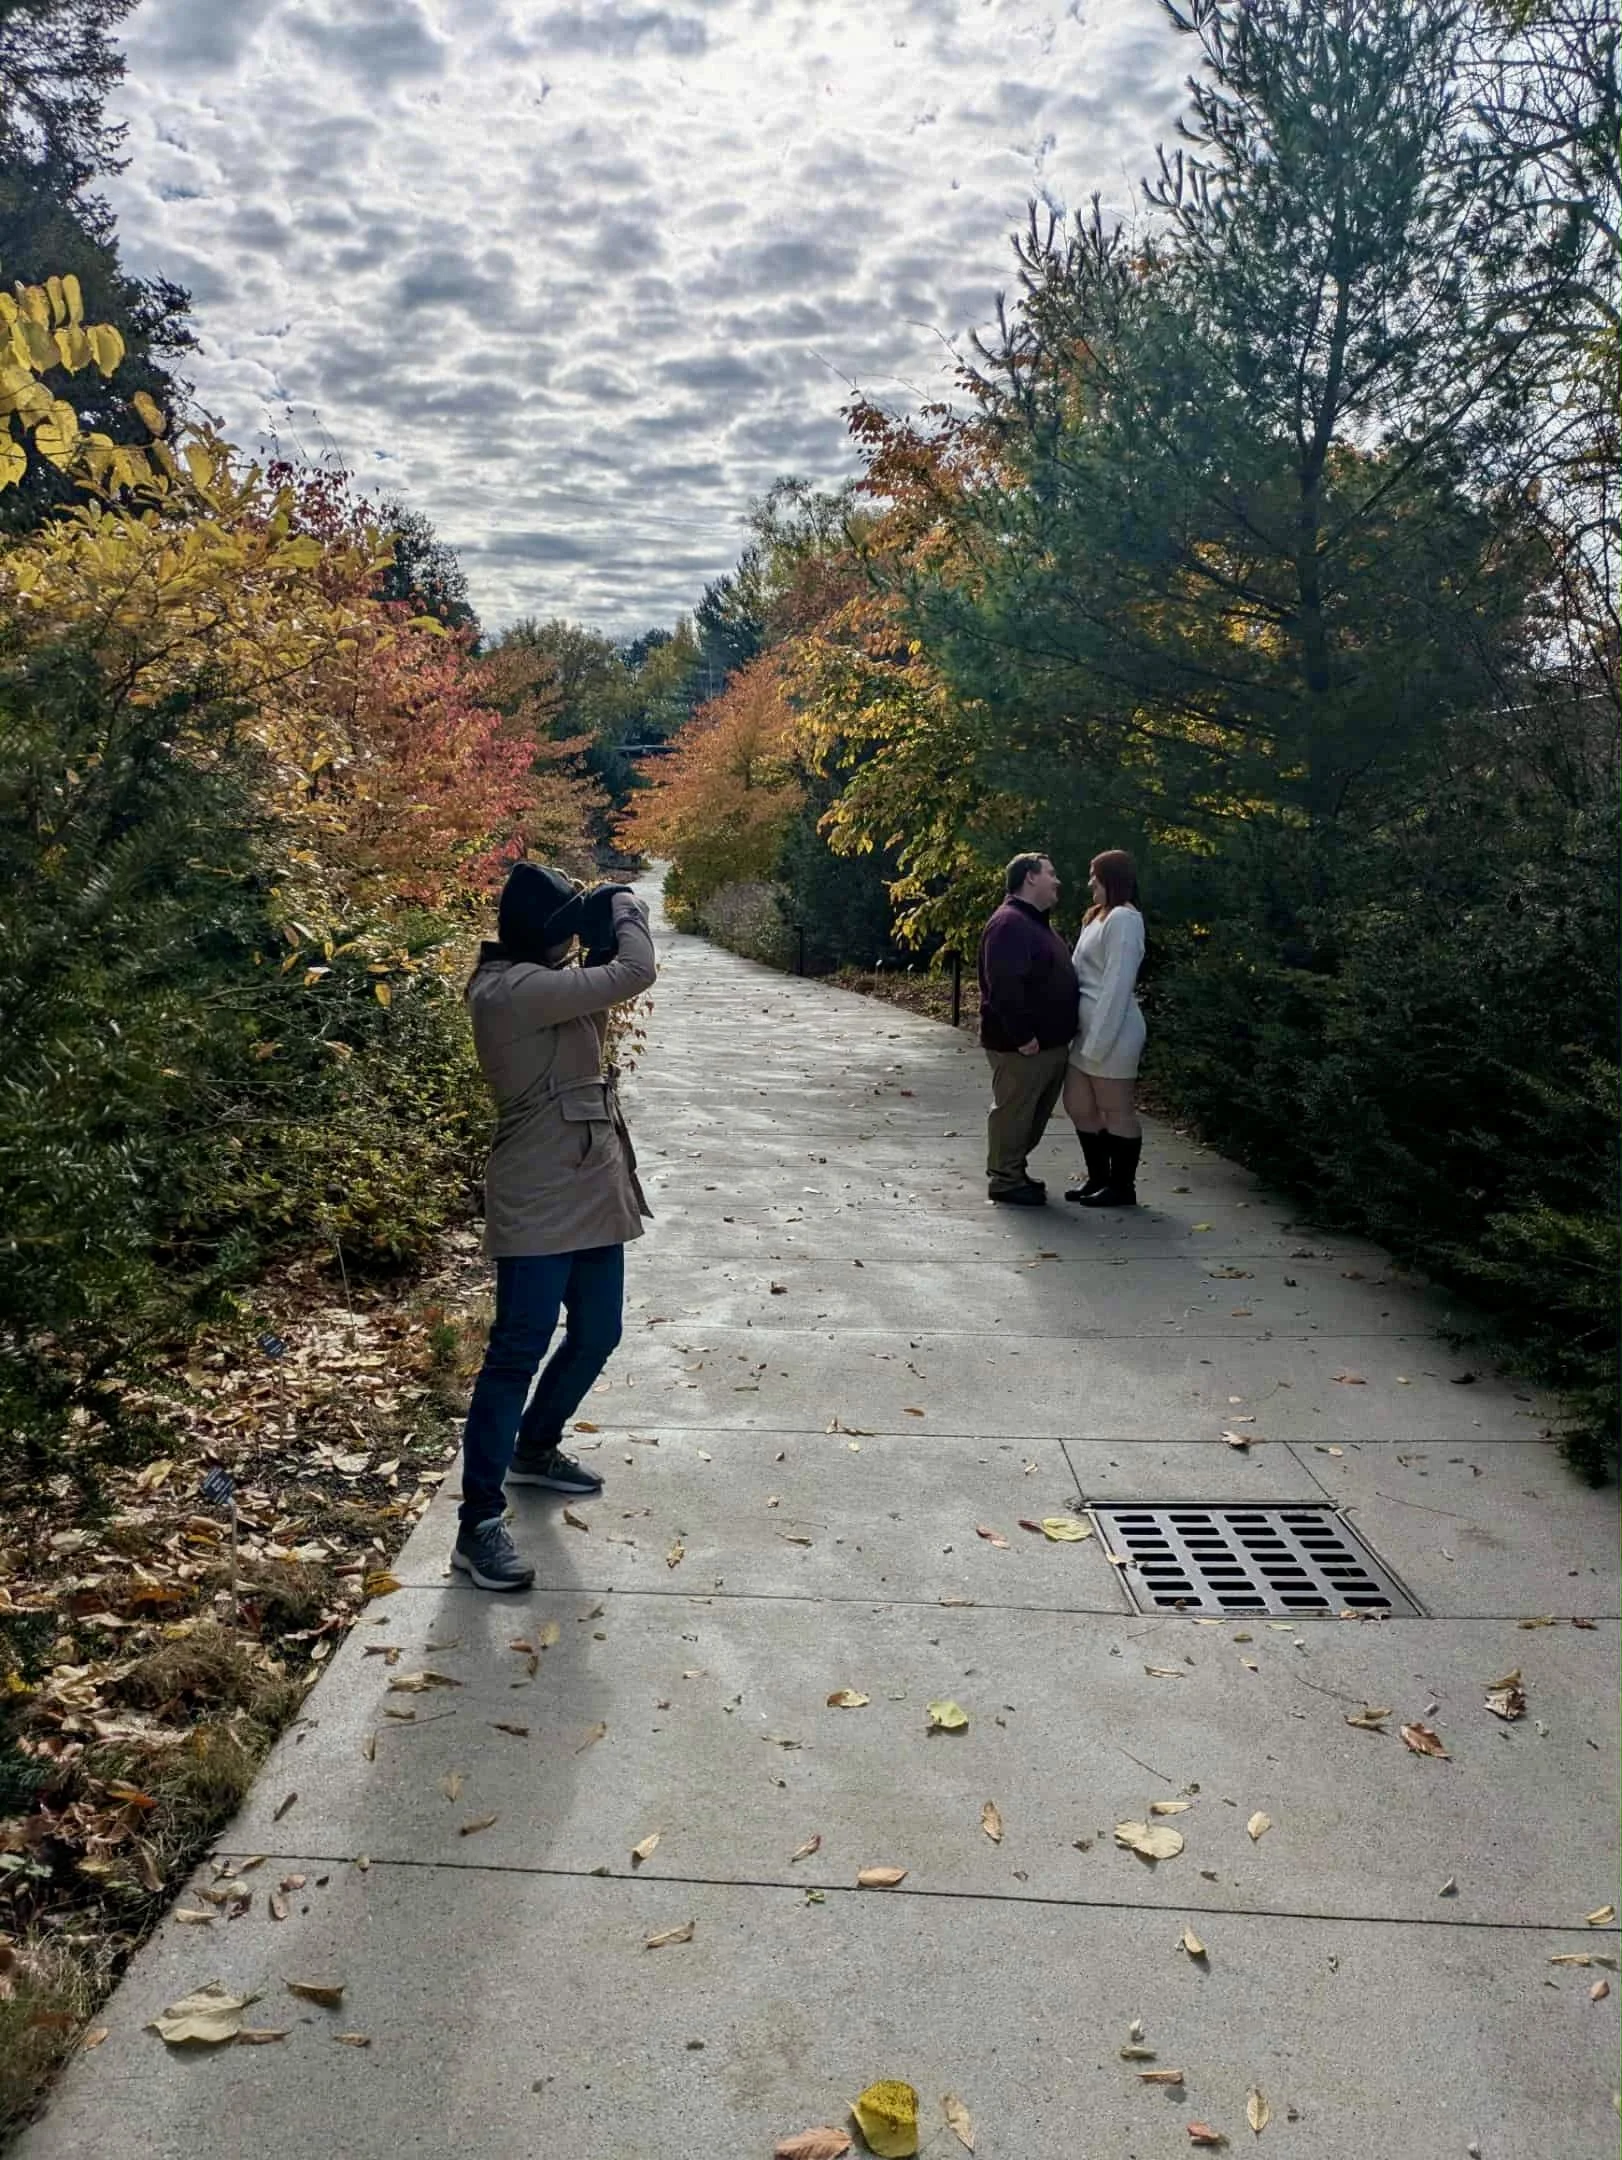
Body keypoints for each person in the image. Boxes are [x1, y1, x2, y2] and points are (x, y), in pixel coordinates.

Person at [452, 862, 658, 1591]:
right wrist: (626, 905)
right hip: (540, 1192)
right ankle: (478, 1524)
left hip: (592, 1181)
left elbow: (600, 984)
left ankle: (534, 1450)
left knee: (598, 1333)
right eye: (566, 925)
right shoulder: (511, 990)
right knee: (516, 1352)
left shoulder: (543, 980)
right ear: (544, 932)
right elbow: (635, 971)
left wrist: (593, 934)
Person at [976, 852, 1080, 1206]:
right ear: (1030, 876)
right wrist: (1023, 1035)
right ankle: (1005, 1179)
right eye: (1051, 873)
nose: (1057, 880)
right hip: (1022, 1046)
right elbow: (1004, 985)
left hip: (1045, 1043)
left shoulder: (1034, 923)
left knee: (1029, 1115)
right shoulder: (1010, 924)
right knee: (1014, 1112)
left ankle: (1014, 1171)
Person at [1063, 848, 1147, 1208]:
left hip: (1113, 1031)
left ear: (1111, 878)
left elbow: (1117, 984)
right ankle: (1098, 1177)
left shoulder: (1125, 920)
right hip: (1085, 1031)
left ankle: (1121, 1186)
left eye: (1094, 876)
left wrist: (1099, 1042)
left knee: (1116, 1110)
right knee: (1078, 1104)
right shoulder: (1097, 916)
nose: (1089, 883)